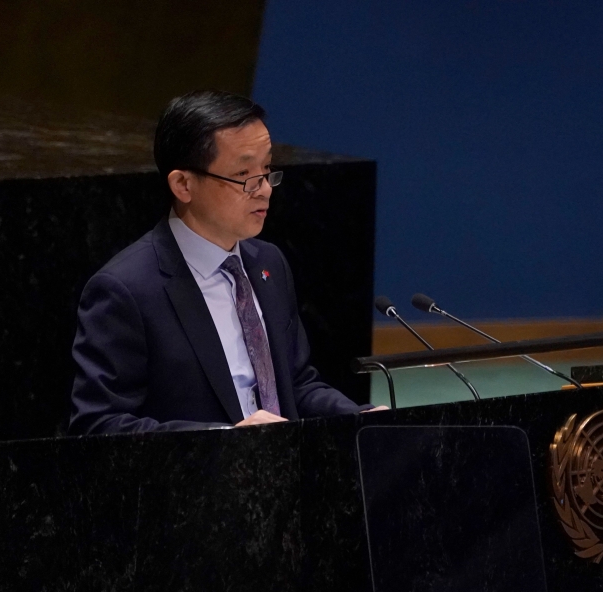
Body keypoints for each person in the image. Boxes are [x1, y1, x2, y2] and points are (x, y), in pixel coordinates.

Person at [69, 90, 381, 434]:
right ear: (183, 184)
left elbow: (295, 385)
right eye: (245, 175)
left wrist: (358, 416)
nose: (264, 189)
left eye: (266, 170)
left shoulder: (268, 263)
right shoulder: (126, 291)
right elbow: (99, 425)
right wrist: (225, 441)